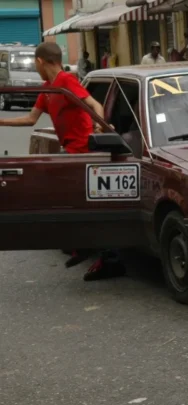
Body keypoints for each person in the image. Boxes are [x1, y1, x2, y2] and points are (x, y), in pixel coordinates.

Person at [0, 42, 125, 281]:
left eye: (35, 64)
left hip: (85, 153)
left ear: (40, 61)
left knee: (87, 206)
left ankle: (107, 257)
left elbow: (94, 104)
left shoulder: (66, 81)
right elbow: (31, 118)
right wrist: (1, 122)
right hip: (70, 153)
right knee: (68, 201)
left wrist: (101, 125)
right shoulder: (48, 88)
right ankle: (83, 246)